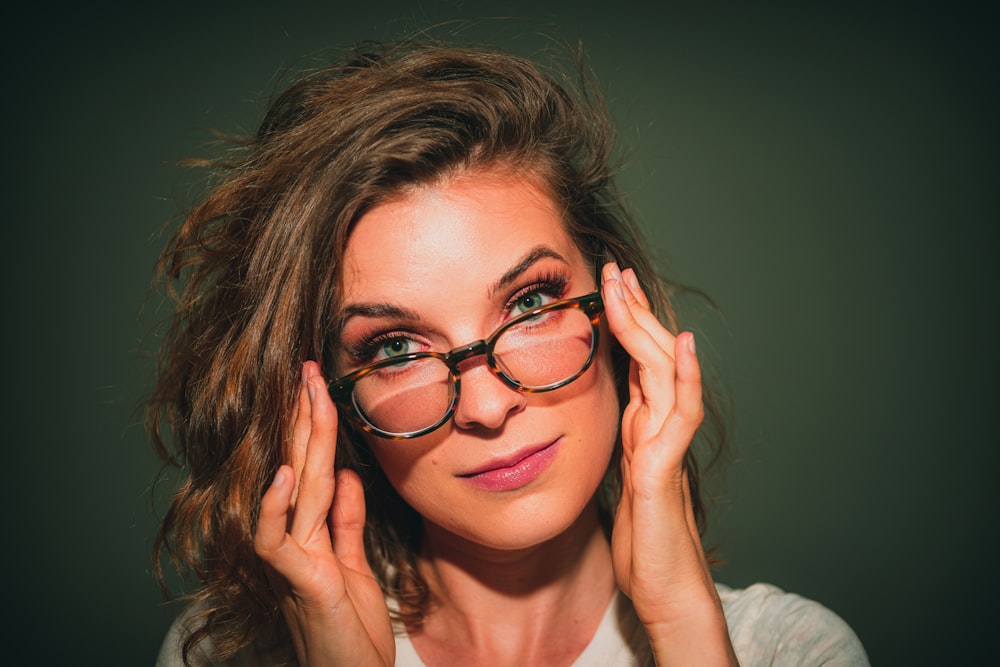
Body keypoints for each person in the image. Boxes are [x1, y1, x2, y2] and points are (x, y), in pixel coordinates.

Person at [149, 38, 869, 666]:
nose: (490, 406)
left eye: (530, 303)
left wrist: (683, 624)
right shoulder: (219, 654)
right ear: (330, 400)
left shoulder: (789, 650)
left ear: (622, 307)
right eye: (398, 348)